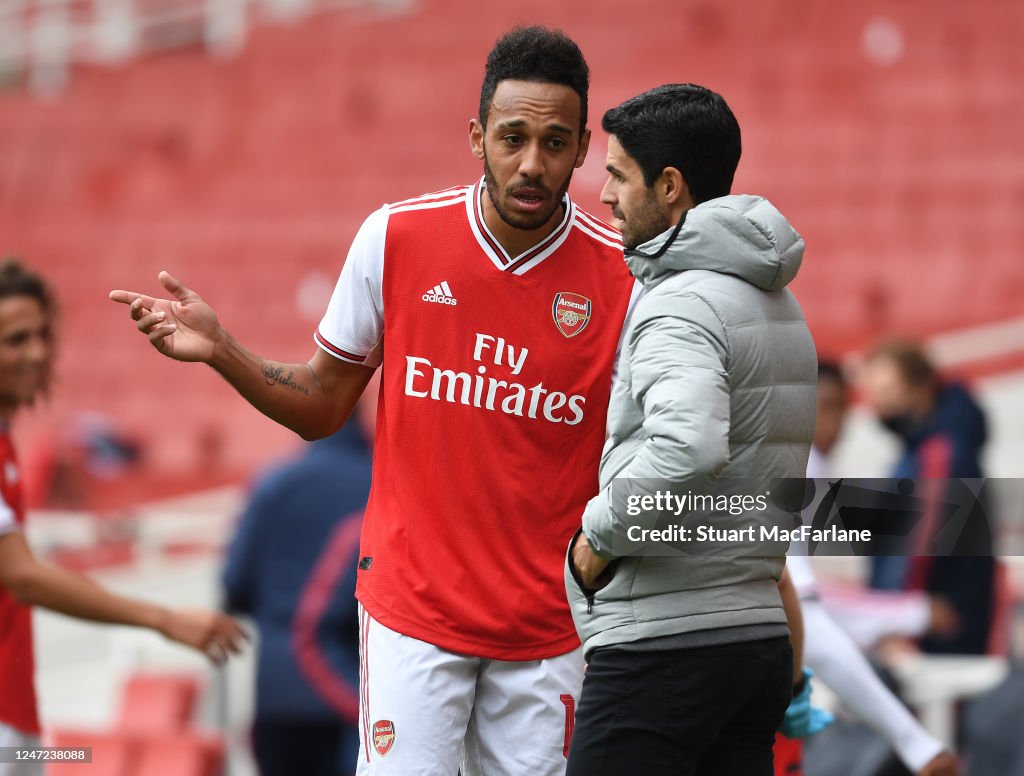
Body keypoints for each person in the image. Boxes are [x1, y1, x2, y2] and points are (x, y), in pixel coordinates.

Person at [110, 26, 637, 776]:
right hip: (412, 615)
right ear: (476, 134)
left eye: (555, 143)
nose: (531, 163)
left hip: (550, 630)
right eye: (512, 136)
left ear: (584, 147)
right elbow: (325, 404)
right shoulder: (396, 238)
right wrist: (223, 351)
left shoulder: (623, 279)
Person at [564, 83, 817, 775]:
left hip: (667, 647)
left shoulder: (679, 302)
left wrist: (597, 537)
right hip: (754, 637)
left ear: (670, 186)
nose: (606, 195)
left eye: (618, 175)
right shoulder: (777, 300)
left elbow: (688, 445)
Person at [0, 258, 247, 776]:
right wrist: (166, 619)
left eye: (42, 336)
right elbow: (20, 575)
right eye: (16, 340)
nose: (38, 354)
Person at [785, 362, 959, 776]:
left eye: (841, 408)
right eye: (824, 408)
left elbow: (798, 591)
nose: (834, 423)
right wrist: (914, 742)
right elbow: (803, 606)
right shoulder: (800, 463)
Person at [222, 401, 374, 776]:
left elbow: (234, 586)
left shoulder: (273, 483)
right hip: (359, 695)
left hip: (278, 696)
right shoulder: (381, 482)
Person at [860, 340, 995, 655]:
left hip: (932, 628)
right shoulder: (926, 448)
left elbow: (917, 545)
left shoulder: (940, 454)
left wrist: (897, 619)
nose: (878, 405)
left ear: (920, 388)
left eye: (887, 391)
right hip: (938, 618)